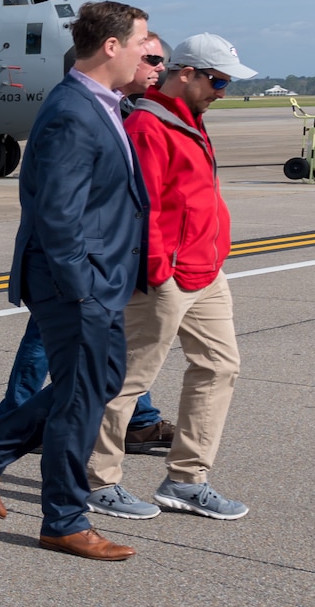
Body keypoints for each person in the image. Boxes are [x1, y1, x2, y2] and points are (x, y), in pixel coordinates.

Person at [0, 1, 151, 562]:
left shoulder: (101, 104)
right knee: (80, 402)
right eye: (140, 42)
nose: (146, 51)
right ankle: (64, 520)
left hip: (94, 281)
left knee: (100, 381)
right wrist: (83, 287)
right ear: (111, 46)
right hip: (75, 285)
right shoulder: (72, 110)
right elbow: (58, 216)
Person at [83, 33, 256, 522]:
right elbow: (142, 207)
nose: (222, 91)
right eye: (217, 81)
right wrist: (157, 270)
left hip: (206, 270)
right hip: (167, 275)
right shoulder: (148, 125)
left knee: (220, 367)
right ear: (187, 74)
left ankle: (186, 479)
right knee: (127, 380)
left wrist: (214, 251)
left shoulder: (190, 119)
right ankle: (98, 480)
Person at [0, 32, 172, 446]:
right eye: (150, 57)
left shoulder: (121, 107)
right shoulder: (78, 111)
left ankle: (138, 416)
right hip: (79, 263)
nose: (159, 67)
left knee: (108, 355)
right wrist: (78, 279)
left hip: (105, 259)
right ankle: (6, 430)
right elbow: (61, 207)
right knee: (66, 352)